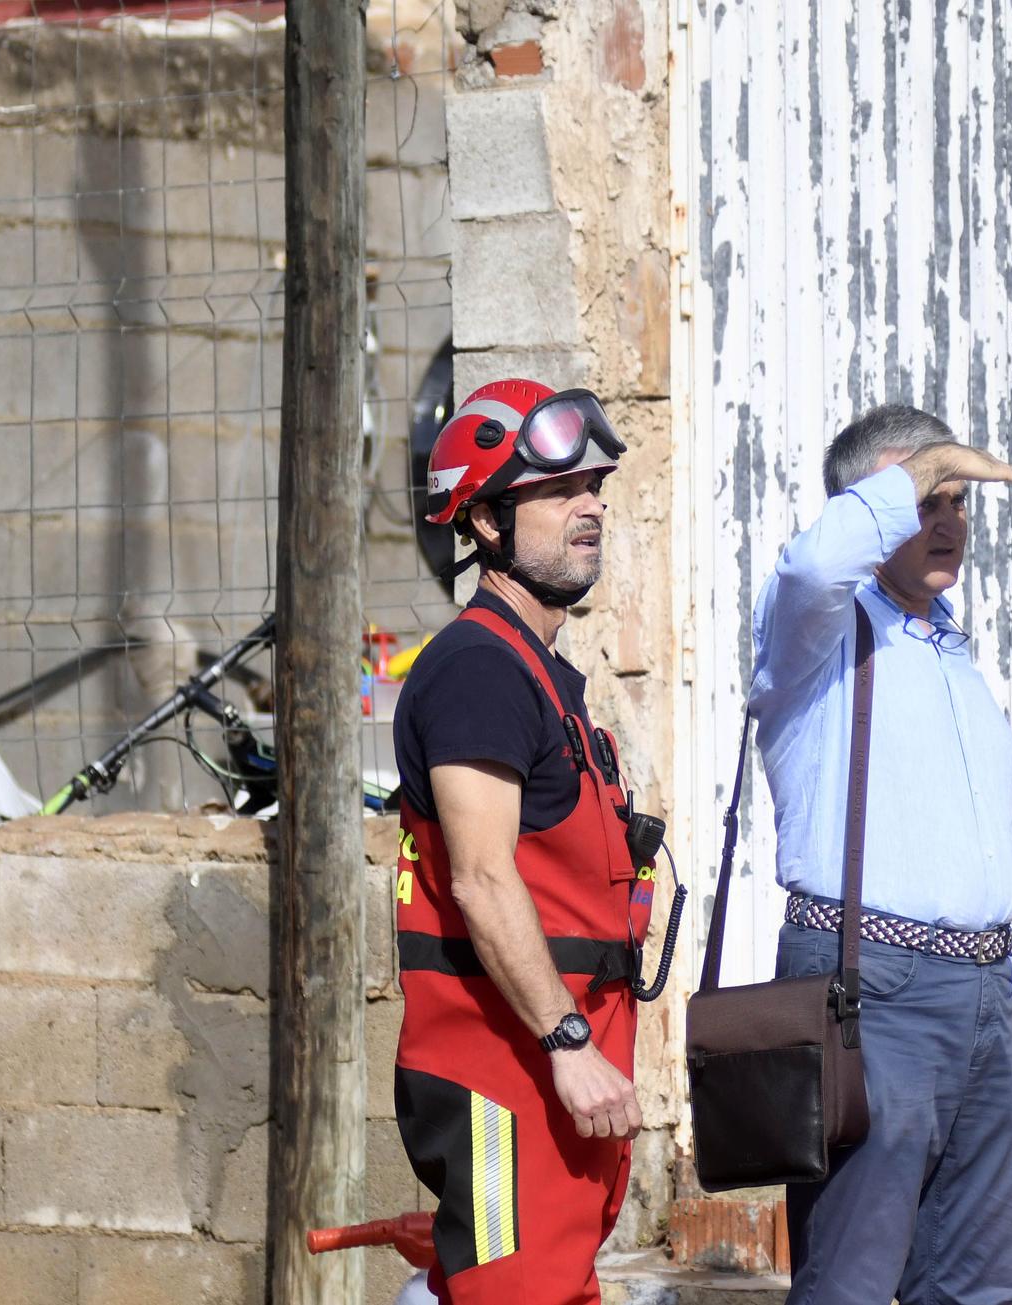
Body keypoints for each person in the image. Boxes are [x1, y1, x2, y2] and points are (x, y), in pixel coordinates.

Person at [748, 404, 1012, 1304]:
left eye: (958, 497)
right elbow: (812, 563)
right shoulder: (818, 635)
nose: (949, 516)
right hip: (867, 988)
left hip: (983, 999)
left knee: (972, 1287)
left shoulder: (951, 648)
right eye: (927, 495)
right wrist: (912, 475)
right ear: (868, 504)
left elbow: (973, 844)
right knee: (851, 1278)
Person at [390, 379, 657, 1305]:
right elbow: (482, 876)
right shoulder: (478, 670)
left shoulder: (541, 673)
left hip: (549, 1083)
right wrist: (569, 1037)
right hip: (504, 1082)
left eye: (596, 488)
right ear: (489, 522)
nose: (592, 508)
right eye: (560, 491)